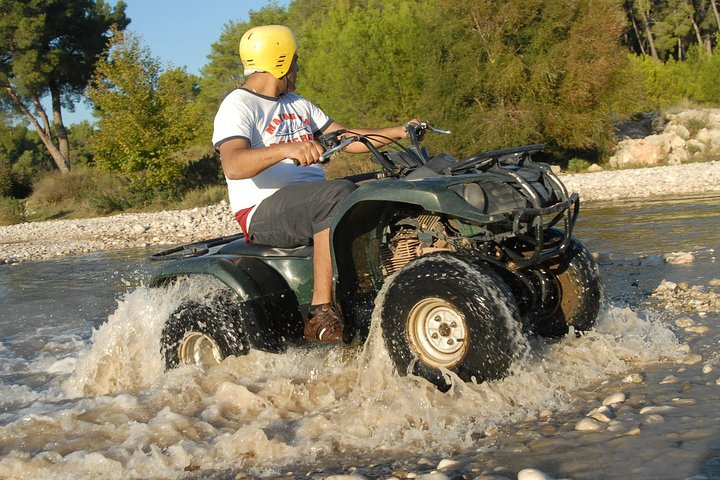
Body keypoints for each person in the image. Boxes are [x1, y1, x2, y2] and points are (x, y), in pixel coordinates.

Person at [212, 24, 415, 343]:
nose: (297, 67)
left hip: (311, 199)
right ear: (280, 61)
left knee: (384, 185)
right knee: (336, 194)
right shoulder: (238, 105)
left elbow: (347, 138)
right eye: (294, 60)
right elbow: (233, 164)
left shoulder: (299, 104)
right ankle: (321, 313)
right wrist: (287, 149)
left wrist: (400, 131)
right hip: (262, 211)